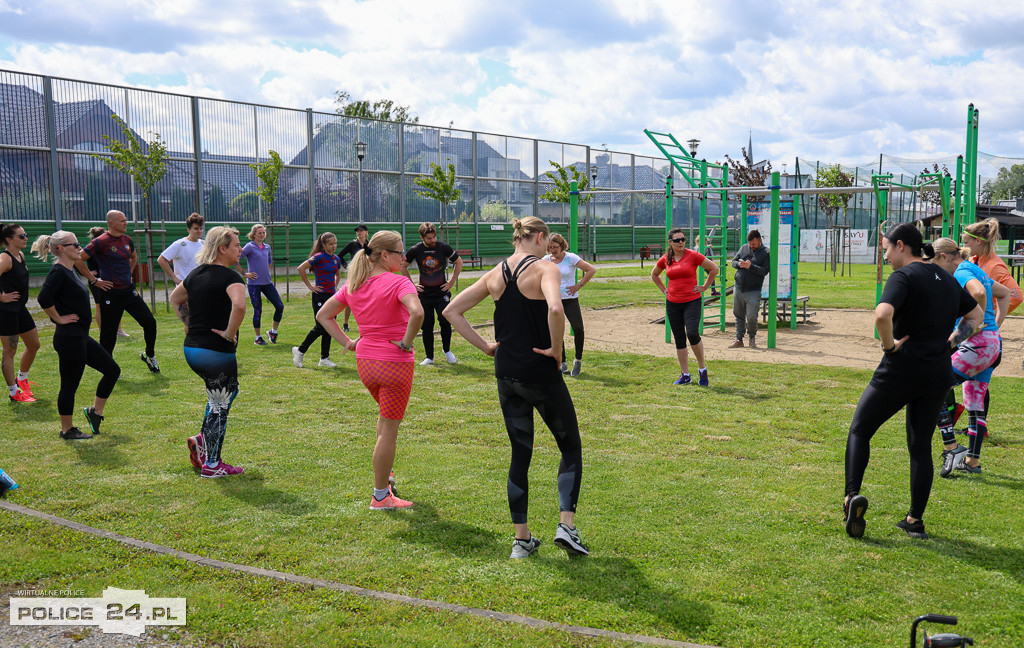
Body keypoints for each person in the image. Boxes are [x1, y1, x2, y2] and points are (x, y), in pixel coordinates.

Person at [444, 217, 588, 559]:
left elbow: (453, 310)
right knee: (570, 447)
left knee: (520, 452)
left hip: (506, 374)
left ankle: (521, 541)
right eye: (547, 241)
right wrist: (556, 349)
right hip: (539, 372)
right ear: (539, 237)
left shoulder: (496, 273)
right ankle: (566, 525)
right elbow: (555, 308)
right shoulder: (544, 269)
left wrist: (486, 347)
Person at [843, 224, 981, 540]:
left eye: (886, 249)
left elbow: (882, 315)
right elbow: (975, 315)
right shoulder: (946, 279)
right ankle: (915, 521)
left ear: (902, 246)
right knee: (920, 447)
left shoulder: (903, 277)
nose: (885, 255)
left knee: (860, 429)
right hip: (937, 374)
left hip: (901, 370)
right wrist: (950, 343)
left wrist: (889, 345)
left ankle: (851, 497)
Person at [315, 230, 424, 510]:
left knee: (384, 419)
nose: (405, 259)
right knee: (389, 429)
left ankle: (385, 478)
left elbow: (323, 315)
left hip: (366, 364)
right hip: (394, 364)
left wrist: (349, 343)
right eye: (401, 253)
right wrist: (406, 343)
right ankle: (380, 496)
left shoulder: (355, 284)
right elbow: (418, 313)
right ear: (385, 255)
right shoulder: (398, 282)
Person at [170, 226, 247, 478]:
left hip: (193, 349)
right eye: (236, 245)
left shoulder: (195, 274)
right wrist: (229, 333)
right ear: (222, 248)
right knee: (220, 405)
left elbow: (175, 298)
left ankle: (202, 441)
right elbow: (239, 306)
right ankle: (212, 464)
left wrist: (186, 323)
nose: (240, 249)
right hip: (216, 352)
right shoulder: (232, 277)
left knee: (226, 393)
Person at [929, 238, 1010, 478]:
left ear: (944, 257)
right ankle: (972, 461)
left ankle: (951, 448)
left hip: (977, 345)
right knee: (975, 402)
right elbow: (1004, 293)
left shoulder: (962, 271)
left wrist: (976, 324)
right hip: (993, 345)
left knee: (934, 384)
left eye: (935, 264)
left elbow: (976, 292)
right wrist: (994, 324)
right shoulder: (975, 268)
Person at [33, 230, 121, 440]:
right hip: (69, 338)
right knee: (69, 385)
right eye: (75, 245)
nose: (80, 247)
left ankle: (95, 412)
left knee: (112, 370)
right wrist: (59, 319)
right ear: (61, 248)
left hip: (80, 336)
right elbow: (44, 298)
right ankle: (67, 429)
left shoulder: (70, 270)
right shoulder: (58, 272)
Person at [77, 210, 159, 373]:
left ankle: (149, 355)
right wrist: (94, 280)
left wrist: (129, 273)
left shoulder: (128, 240)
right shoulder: (101, 241)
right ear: (111, 223)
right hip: (110, 294)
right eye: (122, 221)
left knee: (150, 322)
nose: (126, 223)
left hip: (129, 292)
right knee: (108, 334)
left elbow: (134, 257)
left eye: (126, 220)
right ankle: (108, 367)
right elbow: (79, 258)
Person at [650, 228, 719, 386]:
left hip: (691, 301)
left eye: (683, 239)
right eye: (677, 240)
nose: (681, 242)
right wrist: (663, 289)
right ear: (670, 242)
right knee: (679, 339)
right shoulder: (666, 258)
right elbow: (654, 274)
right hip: (673, 303)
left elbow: (714, 269)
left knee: (693, 334)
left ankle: (702, 370)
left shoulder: (693, 255)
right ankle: (685, 375)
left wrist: (705, 286)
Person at [401, 223, 462, 366]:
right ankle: (429, 357)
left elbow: (459, 262)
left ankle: (447, 351)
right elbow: (403, 266)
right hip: (424, 295)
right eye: (429, 238)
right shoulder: (415, 250)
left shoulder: (443, 247)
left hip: (442, 293)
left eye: (434, 237)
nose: (433, 240)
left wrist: (452, 281)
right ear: (422, 237)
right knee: (427, 325)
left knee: (445, 321)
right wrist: (412, 285)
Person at [542, 233, 597, 376]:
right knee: (556, 330)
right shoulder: (546, 260)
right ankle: (563, 362)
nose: (553, 250)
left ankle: (577, 361)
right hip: (554, 300)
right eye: (550, 247)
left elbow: (591, 270)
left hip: (570, 299)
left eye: (555, 247)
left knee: (578, 328)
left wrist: (578, 285)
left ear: (562, 246)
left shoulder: (570, 258)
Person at [0, 222, 41, 403]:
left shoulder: (20, 255)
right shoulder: (5, 258)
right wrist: (1, 296)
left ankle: (22, 380)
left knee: (34, 345)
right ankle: (13, 391)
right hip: (5, 311)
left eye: (25, 235)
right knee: (9, 351)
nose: (26, 239)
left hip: (20, 309)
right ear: (9, 240)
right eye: (21, 236)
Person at [293, 232, 343, 369]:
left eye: (335, 243)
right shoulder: (318, 257)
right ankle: (300, 350)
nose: (333, 246)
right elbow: (301, 268)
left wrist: (335, 286)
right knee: (321, 326)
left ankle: (324, 358)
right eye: (330, 244)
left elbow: (338, 274)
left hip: (332, 296)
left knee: (329, 326)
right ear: (324, 245)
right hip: (319, 296)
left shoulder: (336, 259)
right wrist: (310, 286)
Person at [236, 224, 283, 345]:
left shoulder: (267, 247)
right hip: (254, 284)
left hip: (267, 283)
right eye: (259, 233)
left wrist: (267, 273)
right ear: (254, 234)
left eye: (263, 233)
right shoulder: (249, 247)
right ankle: (258, 338)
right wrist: (244, 273)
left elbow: (269, 262)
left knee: (280, 306)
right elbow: (236, 259)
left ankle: (273, 332)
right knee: (258, 310)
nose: (262, 235)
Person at [729, 229, 770, 349]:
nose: (751, 246)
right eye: (750, 244)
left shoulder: (766, 253)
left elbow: (765, 271)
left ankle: (752, 338)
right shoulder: (744, 248)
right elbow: (733, 261)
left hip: (754, 289)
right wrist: (739, 265)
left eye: (754, 244)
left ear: (760, 241)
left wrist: (751, 266)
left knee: (752, 316)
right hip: (739, 286)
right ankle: (738, 339)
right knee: (738, 314)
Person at [86, 227, 127, 339]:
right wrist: (88, 273)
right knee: (99, 306)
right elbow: (76, 260)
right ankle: (102, 331)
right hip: (97, 281)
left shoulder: (109, 247)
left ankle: (118, 330)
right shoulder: (92, 248)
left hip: (110, 280)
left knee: (116, 304)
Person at [337, 224, 371, 333]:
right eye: (357, 231)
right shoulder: (352, 244)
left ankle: (367, 322)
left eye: (361, 231)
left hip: (367, 274)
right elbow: (339, 256)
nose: (359, 233)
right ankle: (346, 323)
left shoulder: (370, 245)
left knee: (368, 298)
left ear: (366, 232)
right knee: (350, 297)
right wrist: (348, 267)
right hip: (354, 274)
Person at [157, 213, 205, 284]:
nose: (199, 231)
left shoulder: (204, 244)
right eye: (196, 229)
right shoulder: (179, 244)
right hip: (184, 287)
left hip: (200, 285)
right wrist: (174, 278)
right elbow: (161, 259)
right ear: (188, 230)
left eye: (201, 228)